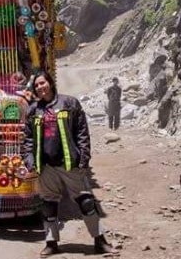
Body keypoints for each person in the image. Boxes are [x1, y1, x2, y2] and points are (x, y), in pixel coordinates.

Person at [23, 71, 115, 257]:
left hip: (69, 163)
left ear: (50, 83)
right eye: (37, 85)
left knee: (86, 202)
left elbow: (82, 132)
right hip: (46, 165)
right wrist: (30, 160)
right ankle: (51, 243)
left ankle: (100, 241)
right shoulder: (33, 110)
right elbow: (28, 139)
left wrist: (84, 158)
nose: (40, 87)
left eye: (43, 83)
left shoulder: (69, 103)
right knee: (48, 204)